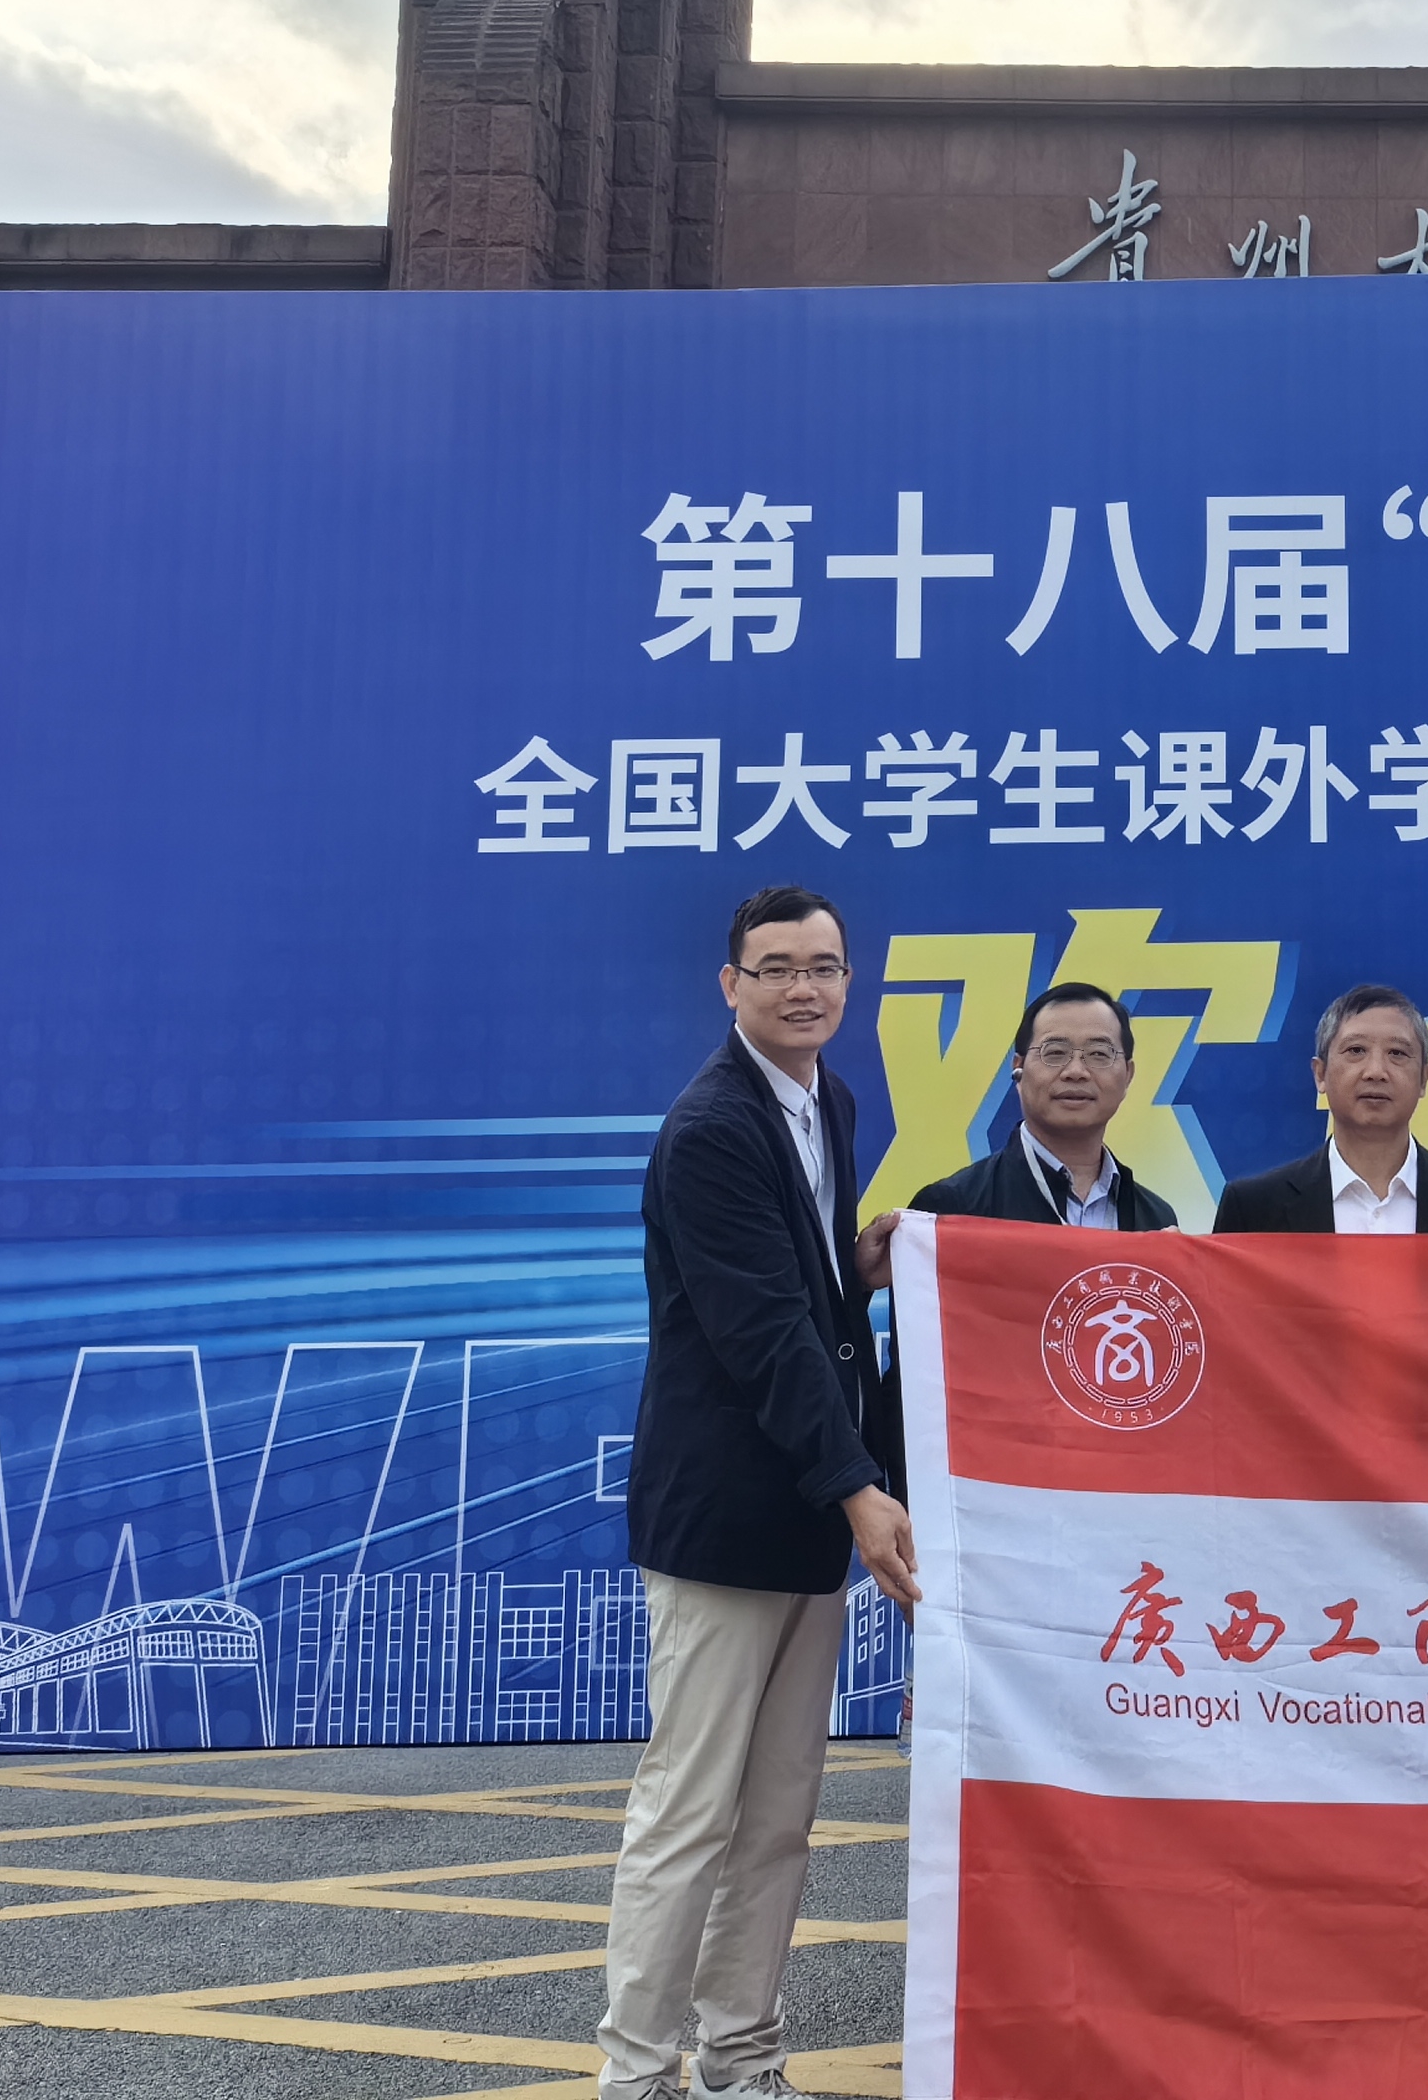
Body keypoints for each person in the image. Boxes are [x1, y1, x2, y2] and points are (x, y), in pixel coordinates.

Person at [599, 885, 925, 2100]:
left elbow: (801, 1296)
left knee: (781, 1813)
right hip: (727, 1517)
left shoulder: (826, 1100)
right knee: (688, 1811)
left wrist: (857, 1272)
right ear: (730, 984)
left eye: (824, 967)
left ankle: (741, 2058)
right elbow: (758, 1332)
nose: (804, 988)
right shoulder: (713, 1126)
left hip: (802, 1515)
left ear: (849, 981)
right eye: (777, 967)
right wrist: (858, 1488)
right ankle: (638, 2073)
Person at [859, 979, 1179, 1284]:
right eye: (1055, 1053)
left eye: (1099, 1054)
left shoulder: (1156, 1219)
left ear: (1128, 1075)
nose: (1076, 1071)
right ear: (1018, 1068)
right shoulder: (952, 1207)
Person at [1213, 983, 1428, 1233]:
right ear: (1320, 1074)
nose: (1376, 1071)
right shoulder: (1253, 1209)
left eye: (1397, 1053)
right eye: (1356, 1050)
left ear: (1423, 1079)